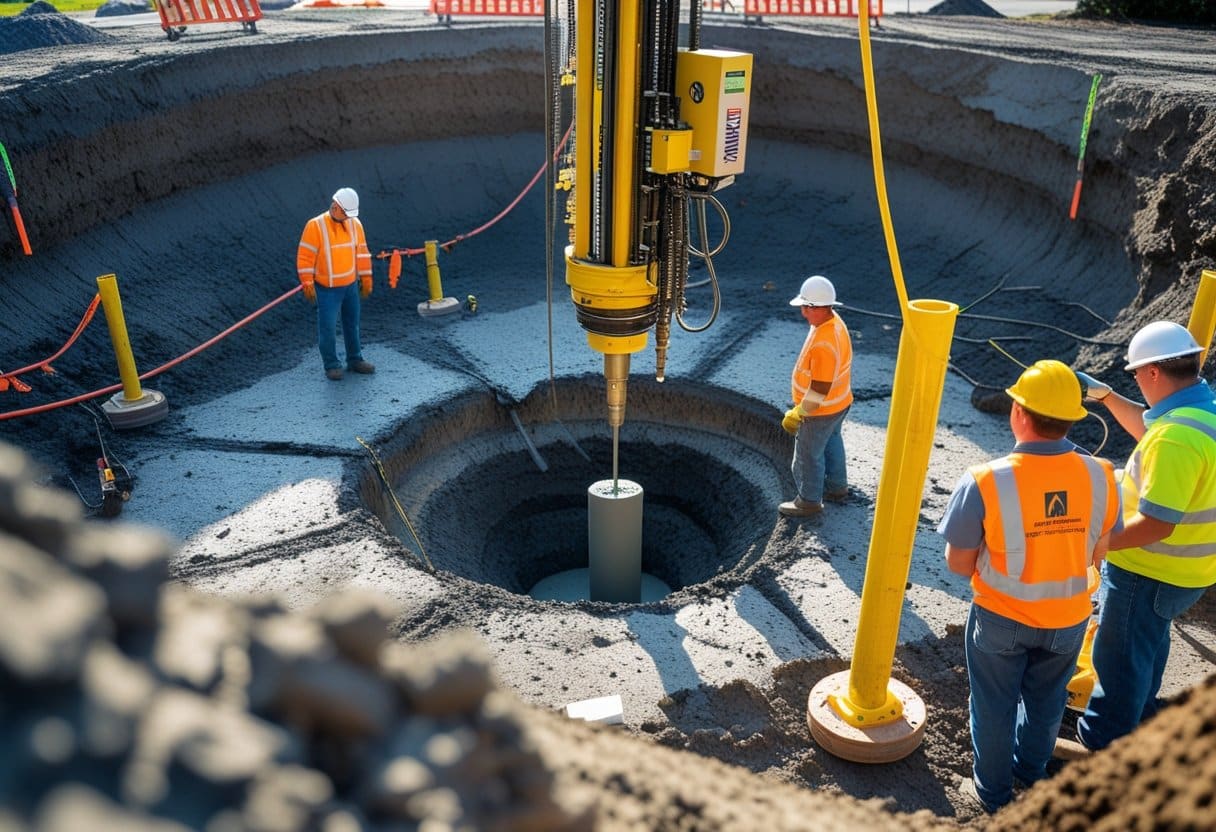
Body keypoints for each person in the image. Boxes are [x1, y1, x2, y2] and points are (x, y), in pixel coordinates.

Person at [938, 359, 1119, 813]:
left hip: (1001, 619)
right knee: (1046, 702)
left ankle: (994, 795)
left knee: (994, 707)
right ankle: (1030, 774)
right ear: (1072, 418)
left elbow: (959, 563)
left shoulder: (985, 479)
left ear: (1018, 413)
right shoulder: (1102, 475)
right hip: (1070, 619)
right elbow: (1099, 549)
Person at [1067, 321, 1216, 752]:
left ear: (1152, 373)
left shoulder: (1176, 438)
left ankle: (1104, 746)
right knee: (1147, 646)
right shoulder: (1200, 412)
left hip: (1148, 569)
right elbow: (1152, 429)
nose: (1134, 381)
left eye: (1134, 375)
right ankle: (1143, 718)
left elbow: (1157, 524)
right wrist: (1107, 395)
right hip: (1186, 572)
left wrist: (1098, 543)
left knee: (1118, 662)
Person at [297, 187, 375, 381]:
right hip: (327, 290)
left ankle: (355, 359)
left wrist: (366, 277)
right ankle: (331, 364)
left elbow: (362, 253)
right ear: (336, 206)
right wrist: (307, 281)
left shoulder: (355, 224)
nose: (347, 217)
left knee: (352, 324)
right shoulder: (315, 226)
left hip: (350, 287)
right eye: (344, 212)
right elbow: (305, 257)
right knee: (328, 328)